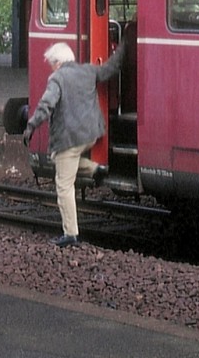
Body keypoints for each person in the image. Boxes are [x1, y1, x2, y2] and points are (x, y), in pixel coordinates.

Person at [23, 40, 127, 247]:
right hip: (90, 135)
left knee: (64, 185)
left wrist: (31, 126)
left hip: (69, 139)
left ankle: (70, 234)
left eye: (52, 64)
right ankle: (95, 169)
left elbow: (46, 105)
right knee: (62, 160)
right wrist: (125, 45)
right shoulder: (87, 71)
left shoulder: (57, 78)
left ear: (58, 63)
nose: (52, 68)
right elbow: (111, 68)